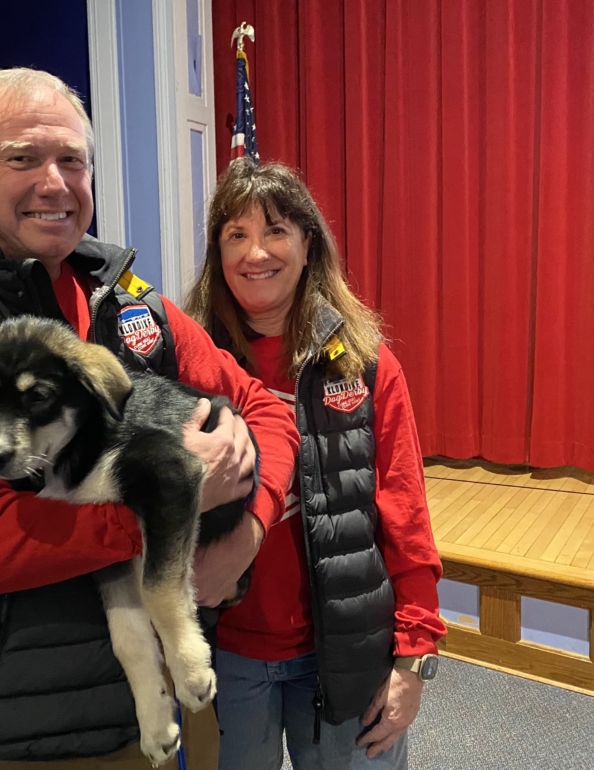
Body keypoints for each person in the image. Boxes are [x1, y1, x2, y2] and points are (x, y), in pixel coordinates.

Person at [0, 68, 300, 770]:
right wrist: (165, 502)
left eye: (73, 160)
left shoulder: (132, 301)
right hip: (43, 721)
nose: (55, 182)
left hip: (185, 691)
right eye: (23, 158)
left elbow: (264, 408)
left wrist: (246, 527)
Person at [185, 157, 446, 770]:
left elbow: (406, 515)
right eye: (236, 235)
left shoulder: (365, 363)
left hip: (345, 653)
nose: (256, 253)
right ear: (217, 253)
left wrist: (413, 658)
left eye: (276, 230)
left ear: (308, 244)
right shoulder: (187, 363)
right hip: (223, 654)